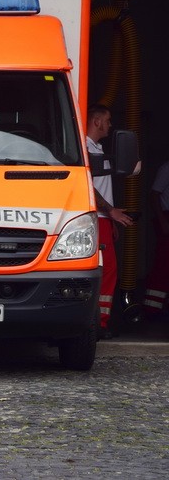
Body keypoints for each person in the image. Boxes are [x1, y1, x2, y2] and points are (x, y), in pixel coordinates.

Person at [86, 104, 135, 334]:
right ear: (97, 121)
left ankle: (98, 321)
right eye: (108, 120)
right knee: (106, 270)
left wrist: (111, 216)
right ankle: (98, 323)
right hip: (95, 217)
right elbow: (87, 186)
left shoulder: (96, 147)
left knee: (108, 269)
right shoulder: (85, 147)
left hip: (102, 217)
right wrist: (110, 211)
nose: (110, 125)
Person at [145, 159, 169, 317]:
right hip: (167, 217)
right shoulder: (166, 168)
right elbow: (154, 194)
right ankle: (152, 308)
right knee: (163, 263)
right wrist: (163, 222)